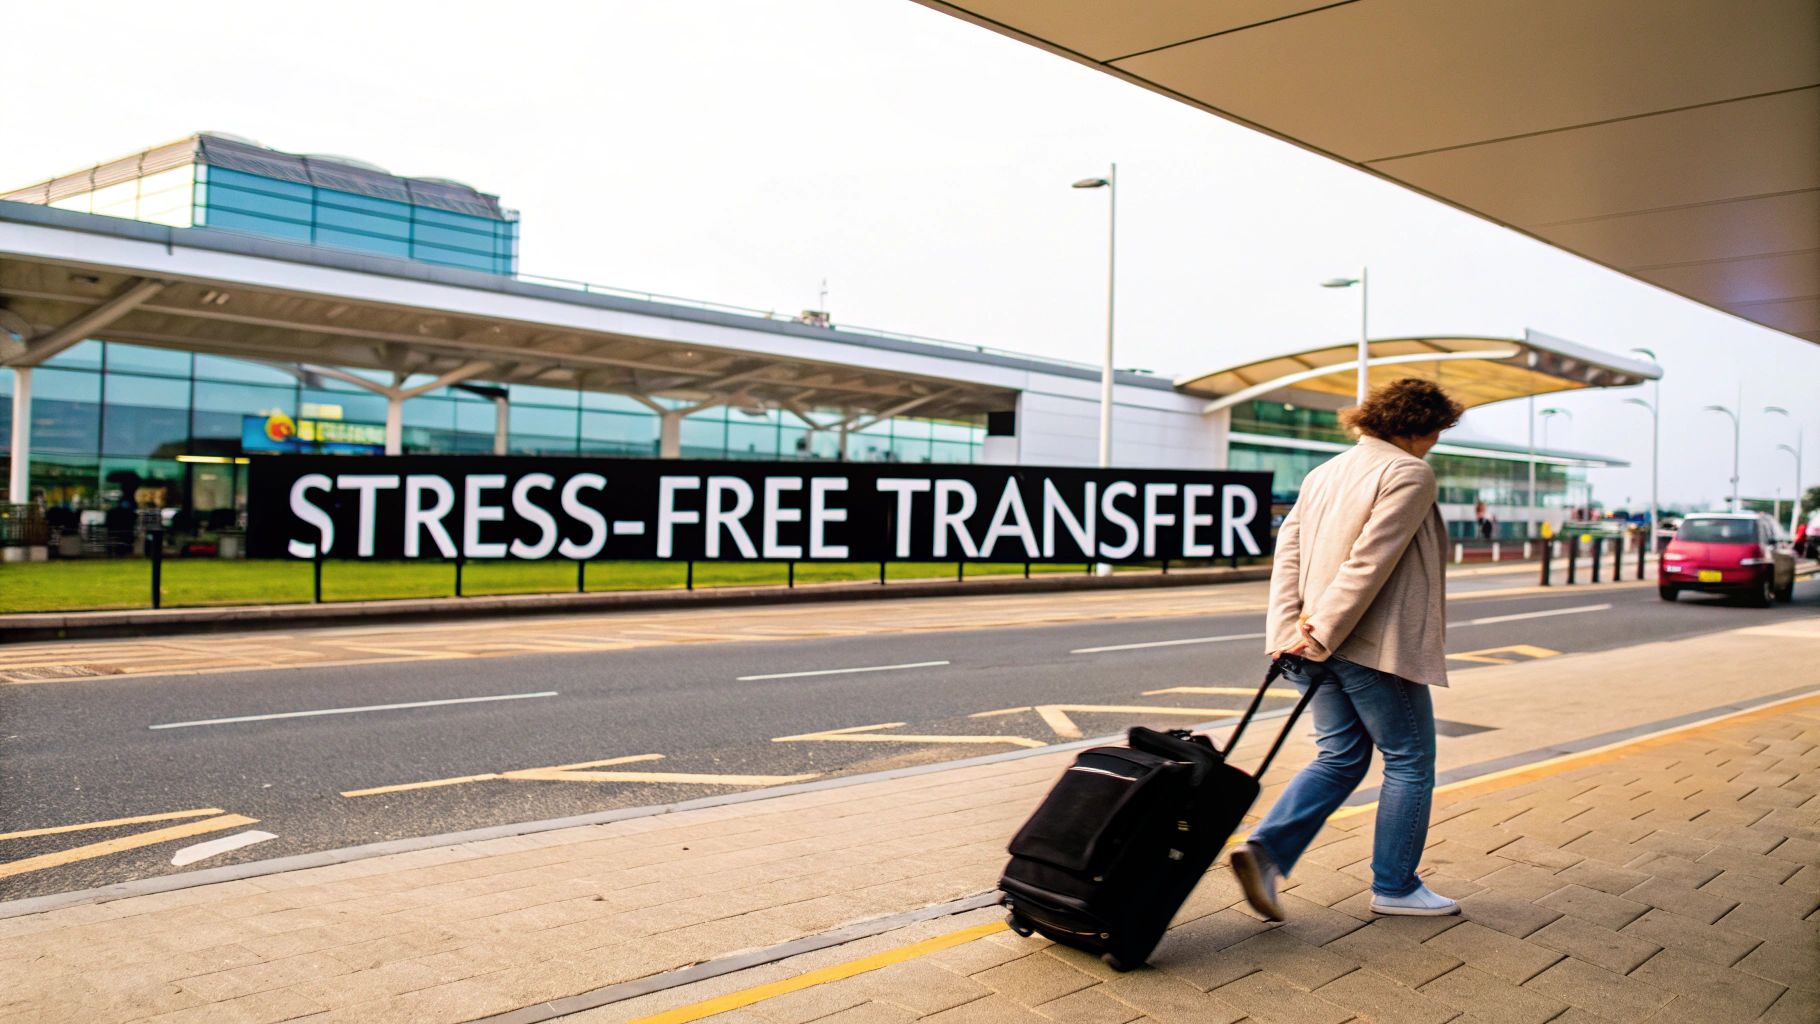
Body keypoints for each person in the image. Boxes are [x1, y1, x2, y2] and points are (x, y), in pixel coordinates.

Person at [1230, 378, 1465, 919]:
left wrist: (1290, 630)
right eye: (1435, 432)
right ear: (1416, 427)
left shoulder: (1323, 473)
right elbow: (1369, 561)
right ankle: (1396, 887)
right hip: (1366, 644)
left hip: (1311, 642)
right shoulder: (1407, 472)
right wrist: (1320, 632)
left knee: (1340, 756)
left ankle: (1265, 852)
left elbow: (1286, 556)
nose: (1435, 443)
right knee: (1410, 760)